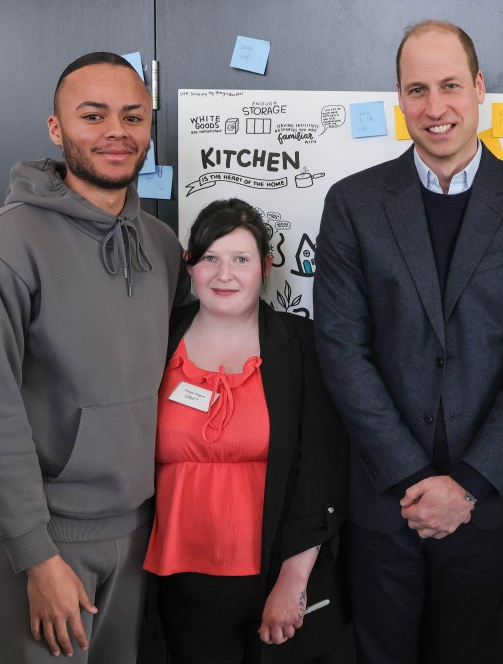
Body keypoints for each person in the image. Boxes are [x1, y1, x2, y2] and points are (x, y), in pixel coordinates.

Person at [311, 19, 503, 664]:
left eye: (450, 85)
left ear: (479, 89)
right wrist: (413, 477)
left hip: (487, 503)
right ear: (399, 99)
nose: (435, 107)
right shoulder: (352, 203)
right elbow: (342, 349)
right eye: (417, 89)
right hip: (382, 500)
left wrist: (470, 483)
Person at [0, 52, 188, 661]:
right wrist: (35, 553)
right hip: (45, 546)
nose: (116, 132)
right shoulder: (11, 244)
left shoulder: (160, 245)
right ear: (56, 129)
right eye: (92, 115)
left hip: (141, 536)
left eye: (133, 116)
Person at [142, 199, 346, 663]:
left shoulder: (301, 345)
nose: (224, 274)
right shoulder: (158, 337)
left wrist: (292, 583)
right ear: (189, 266)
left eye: (241, 259)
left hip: (274, 573)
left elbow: (320, 471)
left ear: (266, 267)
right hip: (177, 579)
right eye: (209, 257)